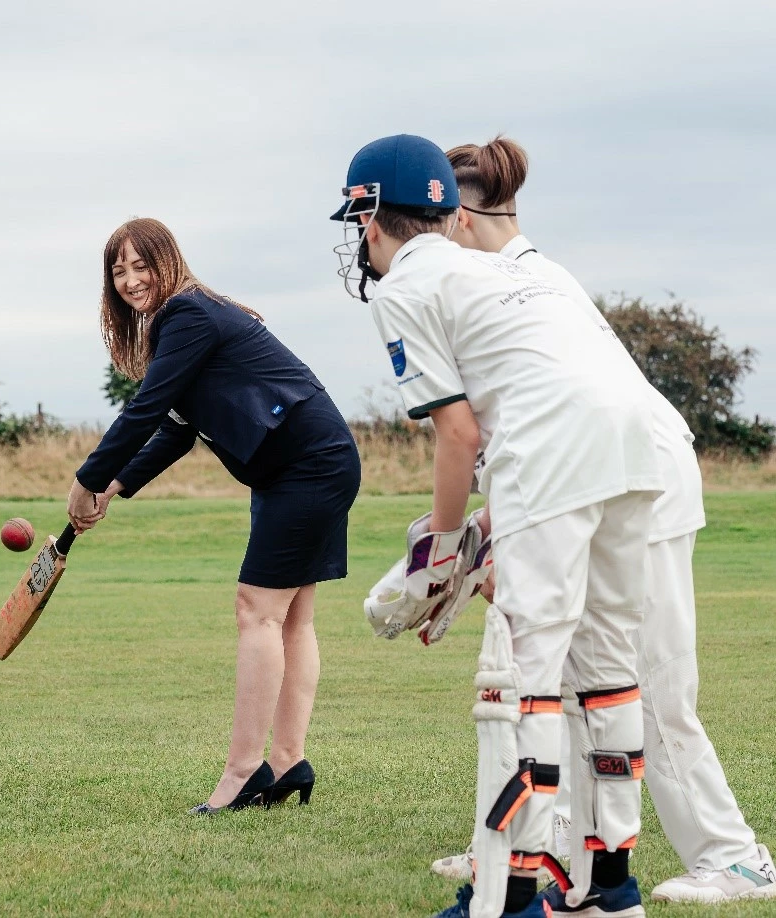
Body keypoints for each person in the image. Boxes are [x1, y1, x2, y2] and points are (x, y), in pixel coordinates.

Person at [429, 136, 774, 905]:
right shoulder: (527, 273)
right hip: (588, 479)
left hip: (633, 480)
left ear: (457, 217)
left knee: (645, 684)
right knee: (574, 680)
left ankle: (733, 854)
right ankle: (533, 844)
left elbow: (503, 420)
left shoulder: (506, 278)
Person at [333, 135, 661, 918]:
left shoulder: (401, 289)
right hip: (631, 445)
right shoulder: (501, 269)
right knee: (609, 664)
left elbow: (458, 434)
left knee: (523, 679)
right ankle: (607, 884)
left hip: (550, 450)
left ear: (370, 215)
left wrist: (440, 553)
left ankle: (510, 892)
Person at [68, 217, 361, 815]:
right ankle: (286, 761)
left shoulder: (188, 314)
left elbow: (147, 407)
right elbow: (177, 430)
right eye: (118, 271)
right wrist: (118, 484)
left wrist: (87, 479)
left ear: (167, 260)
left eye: (139, 264)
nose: (129, 280)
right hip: (305, 463)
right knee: (291, 617)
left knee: (256, 609)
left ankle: (243, 773)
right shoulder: (185, 323)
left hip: (306, 465)